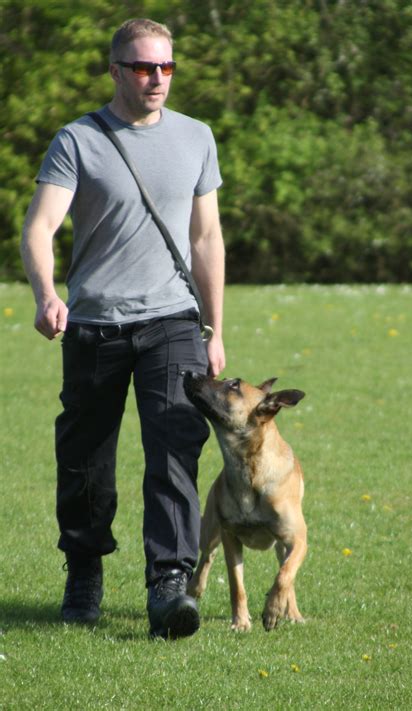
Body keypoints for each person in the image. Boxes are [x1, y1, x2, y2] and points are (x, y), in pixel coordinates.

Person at [21, 18, 225, 640]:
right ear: (115, 71)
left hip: (173, 320)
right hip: (94, 325)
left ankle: (169, 584)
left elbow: (205, 236)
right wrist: (47, 295)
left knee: (176, 448)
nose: (156, 78)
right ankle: (84, 567)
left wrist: (214, 327)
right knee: (86, 459)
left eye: (165, 67)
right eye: (142, 67)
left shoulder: (196, 137)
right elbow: (40, 227)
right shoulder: (78, 139)